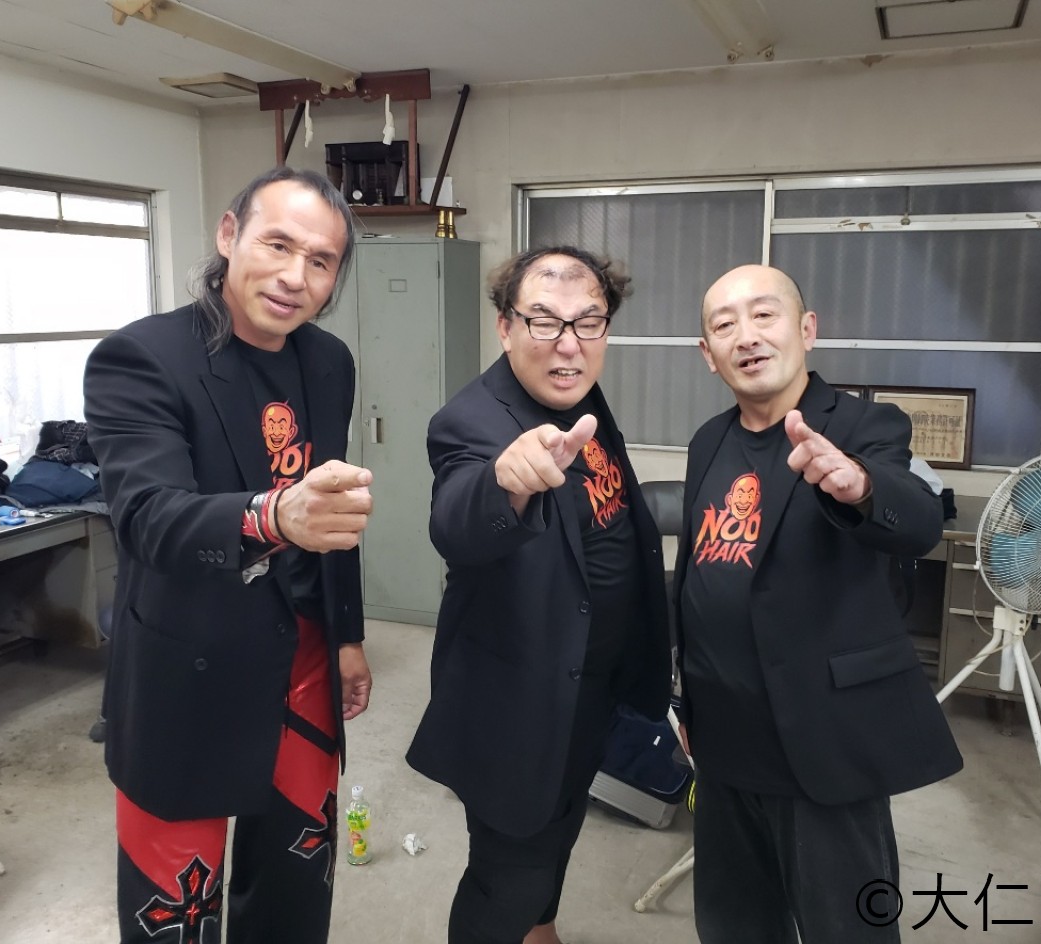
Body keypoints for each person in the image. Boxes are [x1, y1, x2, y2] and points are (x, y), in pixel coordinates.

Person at [83, 165, 374, 944]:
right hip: (188, 671)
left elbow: (333, 511)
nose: (295, 277)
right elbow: (148, 517)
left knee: (296, 883)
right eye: (278, 244)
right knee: (176, 908)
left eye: (321, 261)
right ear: (228, 235)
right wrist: (274, 514)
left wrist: (347, 635)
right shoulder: (143, 357)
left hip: (302, 662)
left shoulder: (328, 361)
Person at [674, 264, 963, 943]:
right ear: (709, 355)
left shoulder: (866, 425)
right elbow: (698, 574)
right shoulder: (708, 441)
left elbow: (919, 522)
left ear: (806, 329)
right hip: (724, 742)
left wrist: (860, 485)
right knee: (734, 925)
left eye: (764, 314)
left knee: (848, 929)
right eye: (725, 325)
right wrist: (684, 698)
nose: (747, 336)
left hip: (822, 741)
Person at [407, 247, 671, 944]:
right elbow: (455, 524)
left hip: (589, 684)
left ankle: (541, 929)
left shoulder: (580, 395)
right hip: (518, 702)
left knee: (561, 824)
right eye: (544, 321)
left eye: (588, 322)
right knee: (507, 873)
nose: (568, 344)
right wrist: (507, 482)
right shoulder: (472, 420)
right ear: (505, 326)